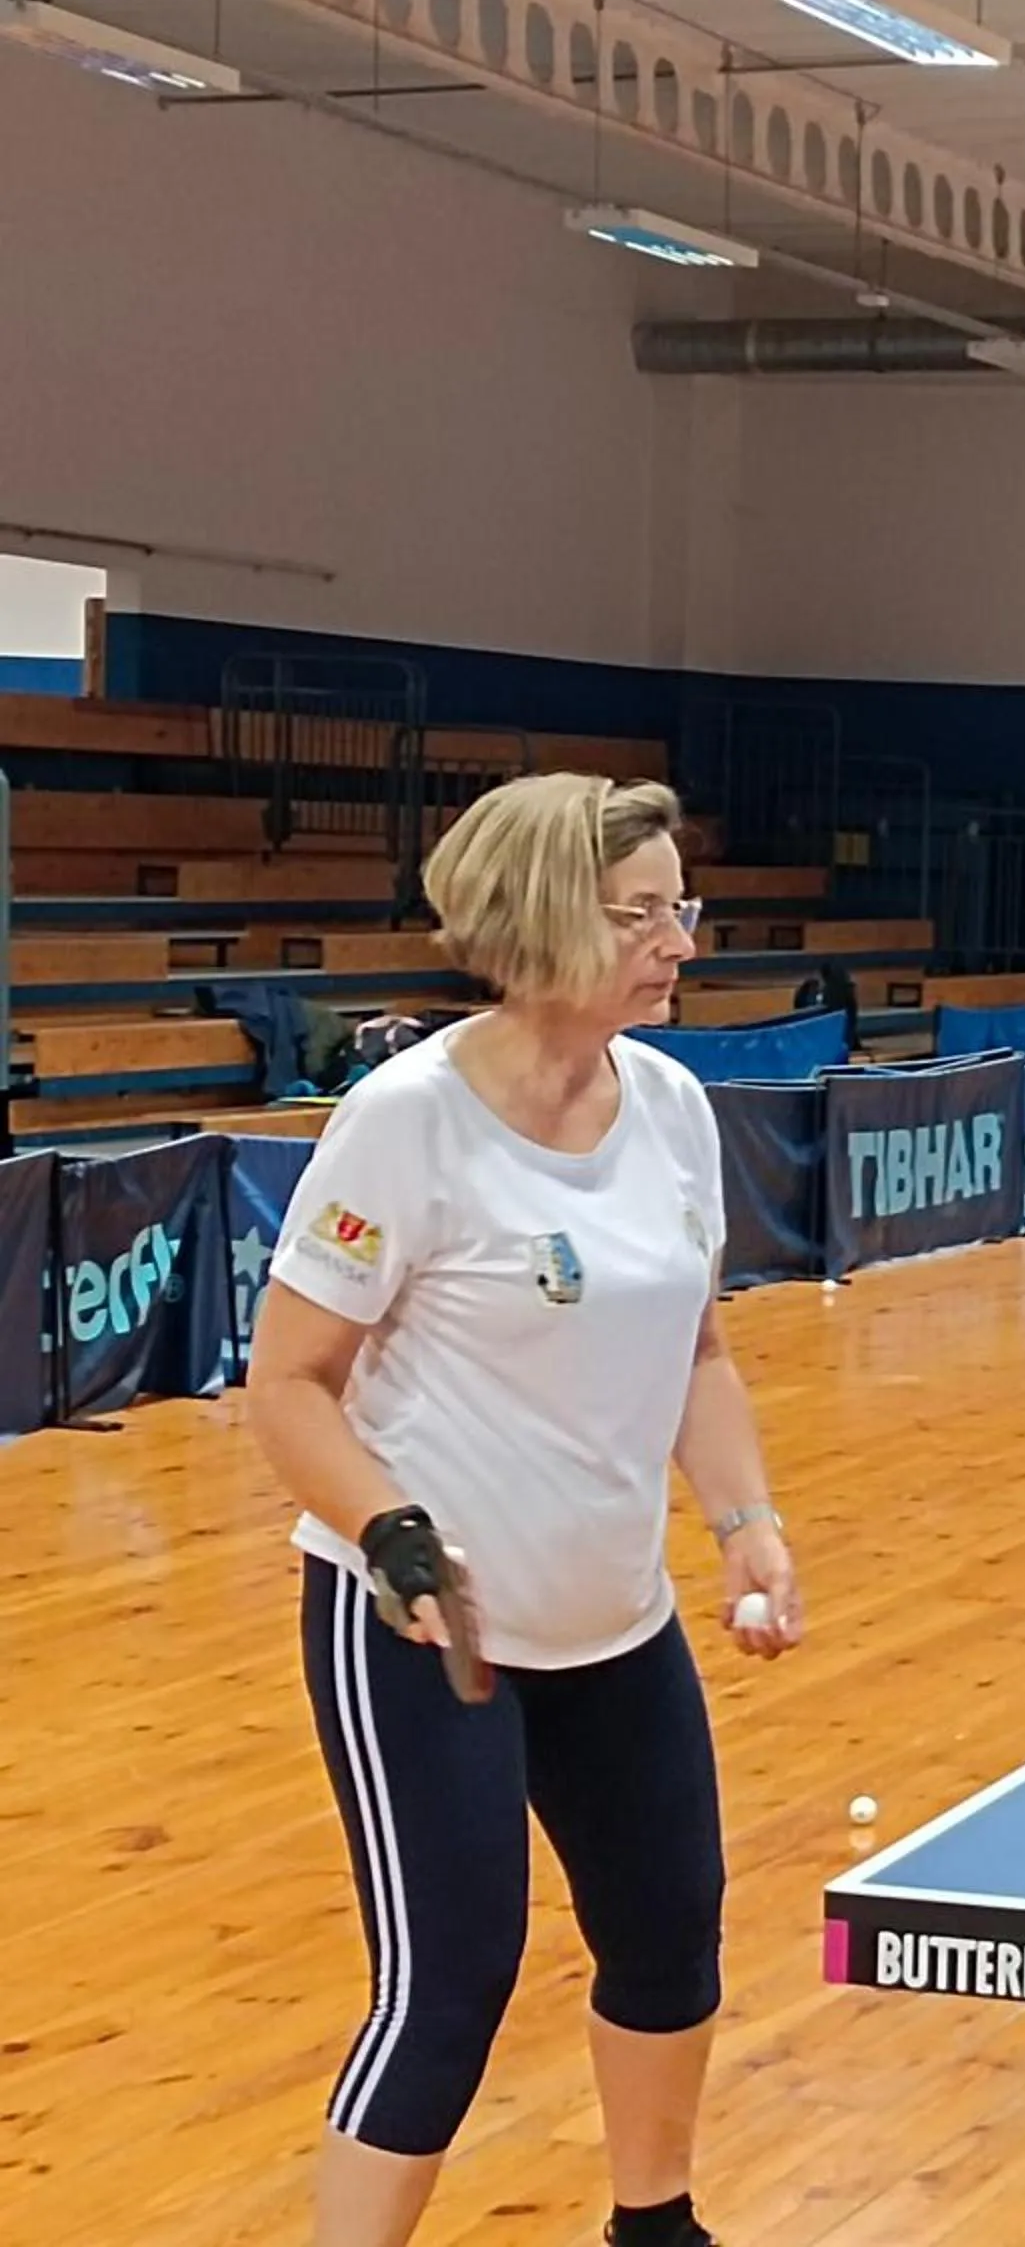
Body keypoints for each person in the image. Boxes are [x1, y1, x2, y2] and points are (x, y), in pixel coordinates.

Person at [249, 773, 799, 2247]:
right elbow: (287, 1386)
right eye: (641, 914)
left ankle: (655, 2227)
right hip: (428, 1632)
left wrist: (744, 1520)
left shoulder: (674, 1109)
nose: (680, 941)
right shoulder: (405, 1123)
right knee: (449, 1987)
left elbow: (698, 1349)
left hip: (617, 1622)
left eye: (681, 906)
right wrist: (390, 1531)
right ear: (545, 920)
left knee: (670, 1937)